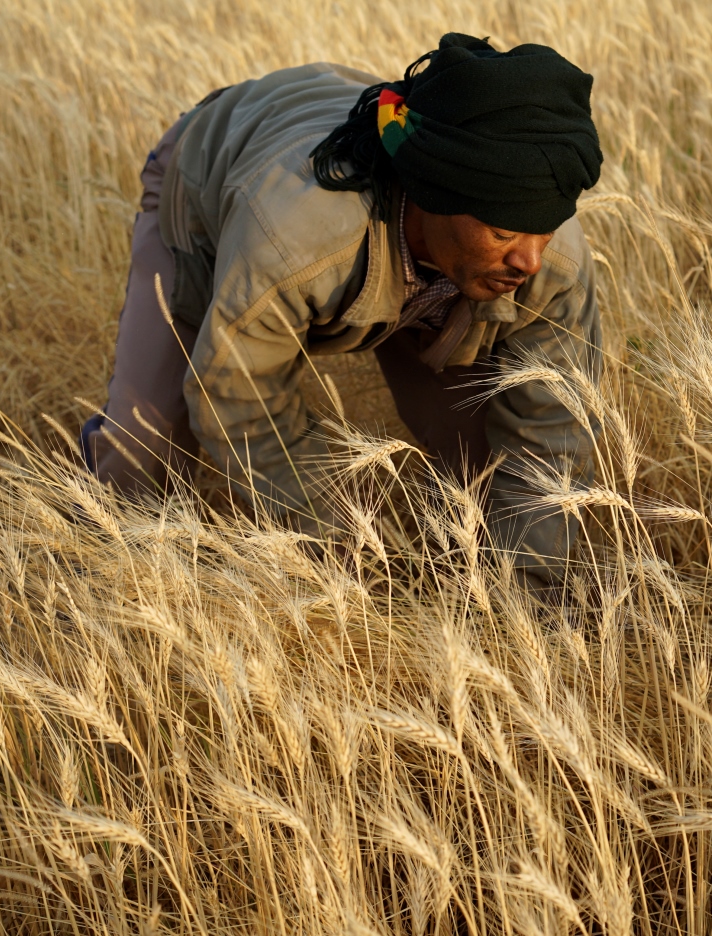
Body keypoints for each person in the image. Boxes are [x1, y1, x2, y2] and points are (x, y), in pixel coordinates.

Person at [81, 33, 603, 590]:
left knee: (485, 470)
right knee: (140, 453)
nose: (529, 258)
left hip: (425, 257)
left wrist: (530, 596)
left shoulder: (547, 258)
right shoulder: (294, 238)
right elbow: (238, 399)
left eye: (544, 231)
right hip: (212, 173)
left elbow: (553, 429)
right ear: (431, 195)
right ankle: (87, 577)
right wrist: (337, 551)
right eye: (503, 232)